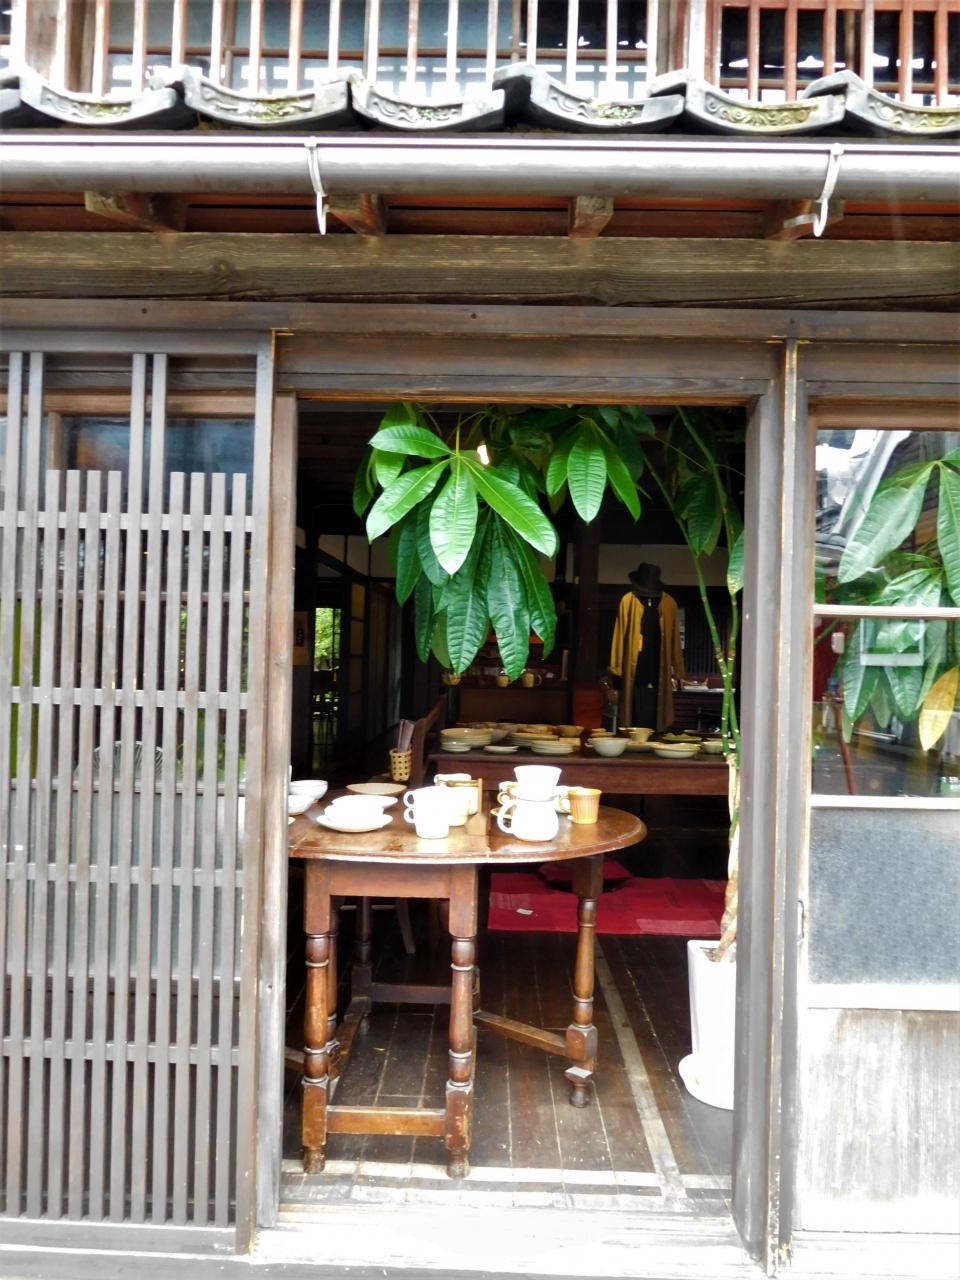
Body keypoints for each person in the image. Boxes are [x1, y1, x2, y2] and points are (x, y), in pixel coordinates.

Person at [608, 562, 685, 731]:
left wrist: (678, 669)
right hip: (634, 668)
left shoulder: (668, 603)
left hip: (659, 667)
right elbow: (619, 635)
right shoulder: (628, 601)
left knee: (657, 710)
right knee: (633, 709)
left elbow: (674, 640)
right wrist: (616, 668)